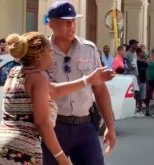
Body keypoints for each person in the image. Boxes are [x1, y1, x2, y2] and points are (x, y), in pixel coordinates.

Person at [0, 32, 114, 165]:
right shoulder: (39, 78)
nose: (52, 55)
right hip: (21, 149)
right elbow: (42, 123)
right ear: (38, 56)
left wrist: (89, 80)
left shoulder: (15, 72)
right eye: (49, 51)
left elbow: (54, 91)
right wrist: (62, 158)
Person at [43, 1, 116, 164]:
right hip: (53, 128)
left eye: (73, 21)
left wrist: (110, 127)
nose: (71, 26)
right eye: (66, 22)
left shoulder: (89, 49)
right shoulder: (42, 52)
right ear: (51, 23)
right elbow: (47, 91)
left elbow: (100, 90)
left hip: (84, 127)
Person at [145, 48, 154, 115]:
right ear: (152, 53)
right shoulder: (148, 61)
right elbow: (147, 70)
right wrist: (147, 79)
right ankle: (147, 110)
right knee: (148, 95)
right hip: (150, 80)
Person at [135, 48, 148, 117]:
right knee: (136, 96)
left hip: (143, 80)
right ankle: (135, 110)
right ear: (139, 53)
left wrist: (147, 81)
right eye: (143, 52)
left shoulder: (144, 62)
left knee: (142, 97)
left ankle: (140, 110)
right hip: (137, 80)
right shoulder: (136, 61)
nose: (144, 54)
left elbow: (146, 71)